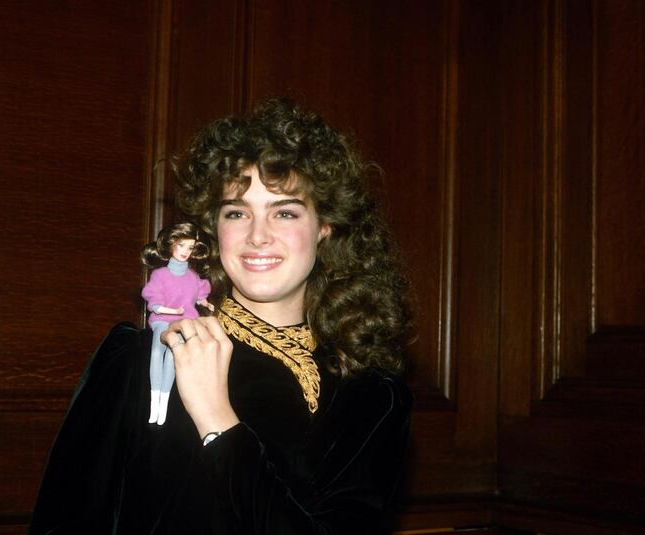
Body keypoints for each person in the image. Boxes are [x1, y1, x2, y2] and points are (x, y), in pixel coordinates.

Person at [30, 98, 413, 534]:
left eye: (284, 211)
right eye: (237, 212)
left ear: (325, 226)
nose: (258, 235)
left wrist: (217, 421)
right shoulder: (144, 360)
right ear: (215, 228)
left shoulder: (371, 395)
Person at [141, 222, 213, 426]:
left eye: (190, 247)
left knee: (174, 357)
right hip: (163, 320)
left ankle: (163, 404)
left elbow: (199, 295)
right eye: (181, 245)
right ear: (171, 244)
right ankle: (154, 402)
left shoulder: (193, 277)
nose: (185, 251)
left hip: (184, 322)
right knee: (158, 352)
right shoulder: (160, 275)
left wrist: (205, 302)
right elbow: (154, 304)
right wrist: (171, 311)